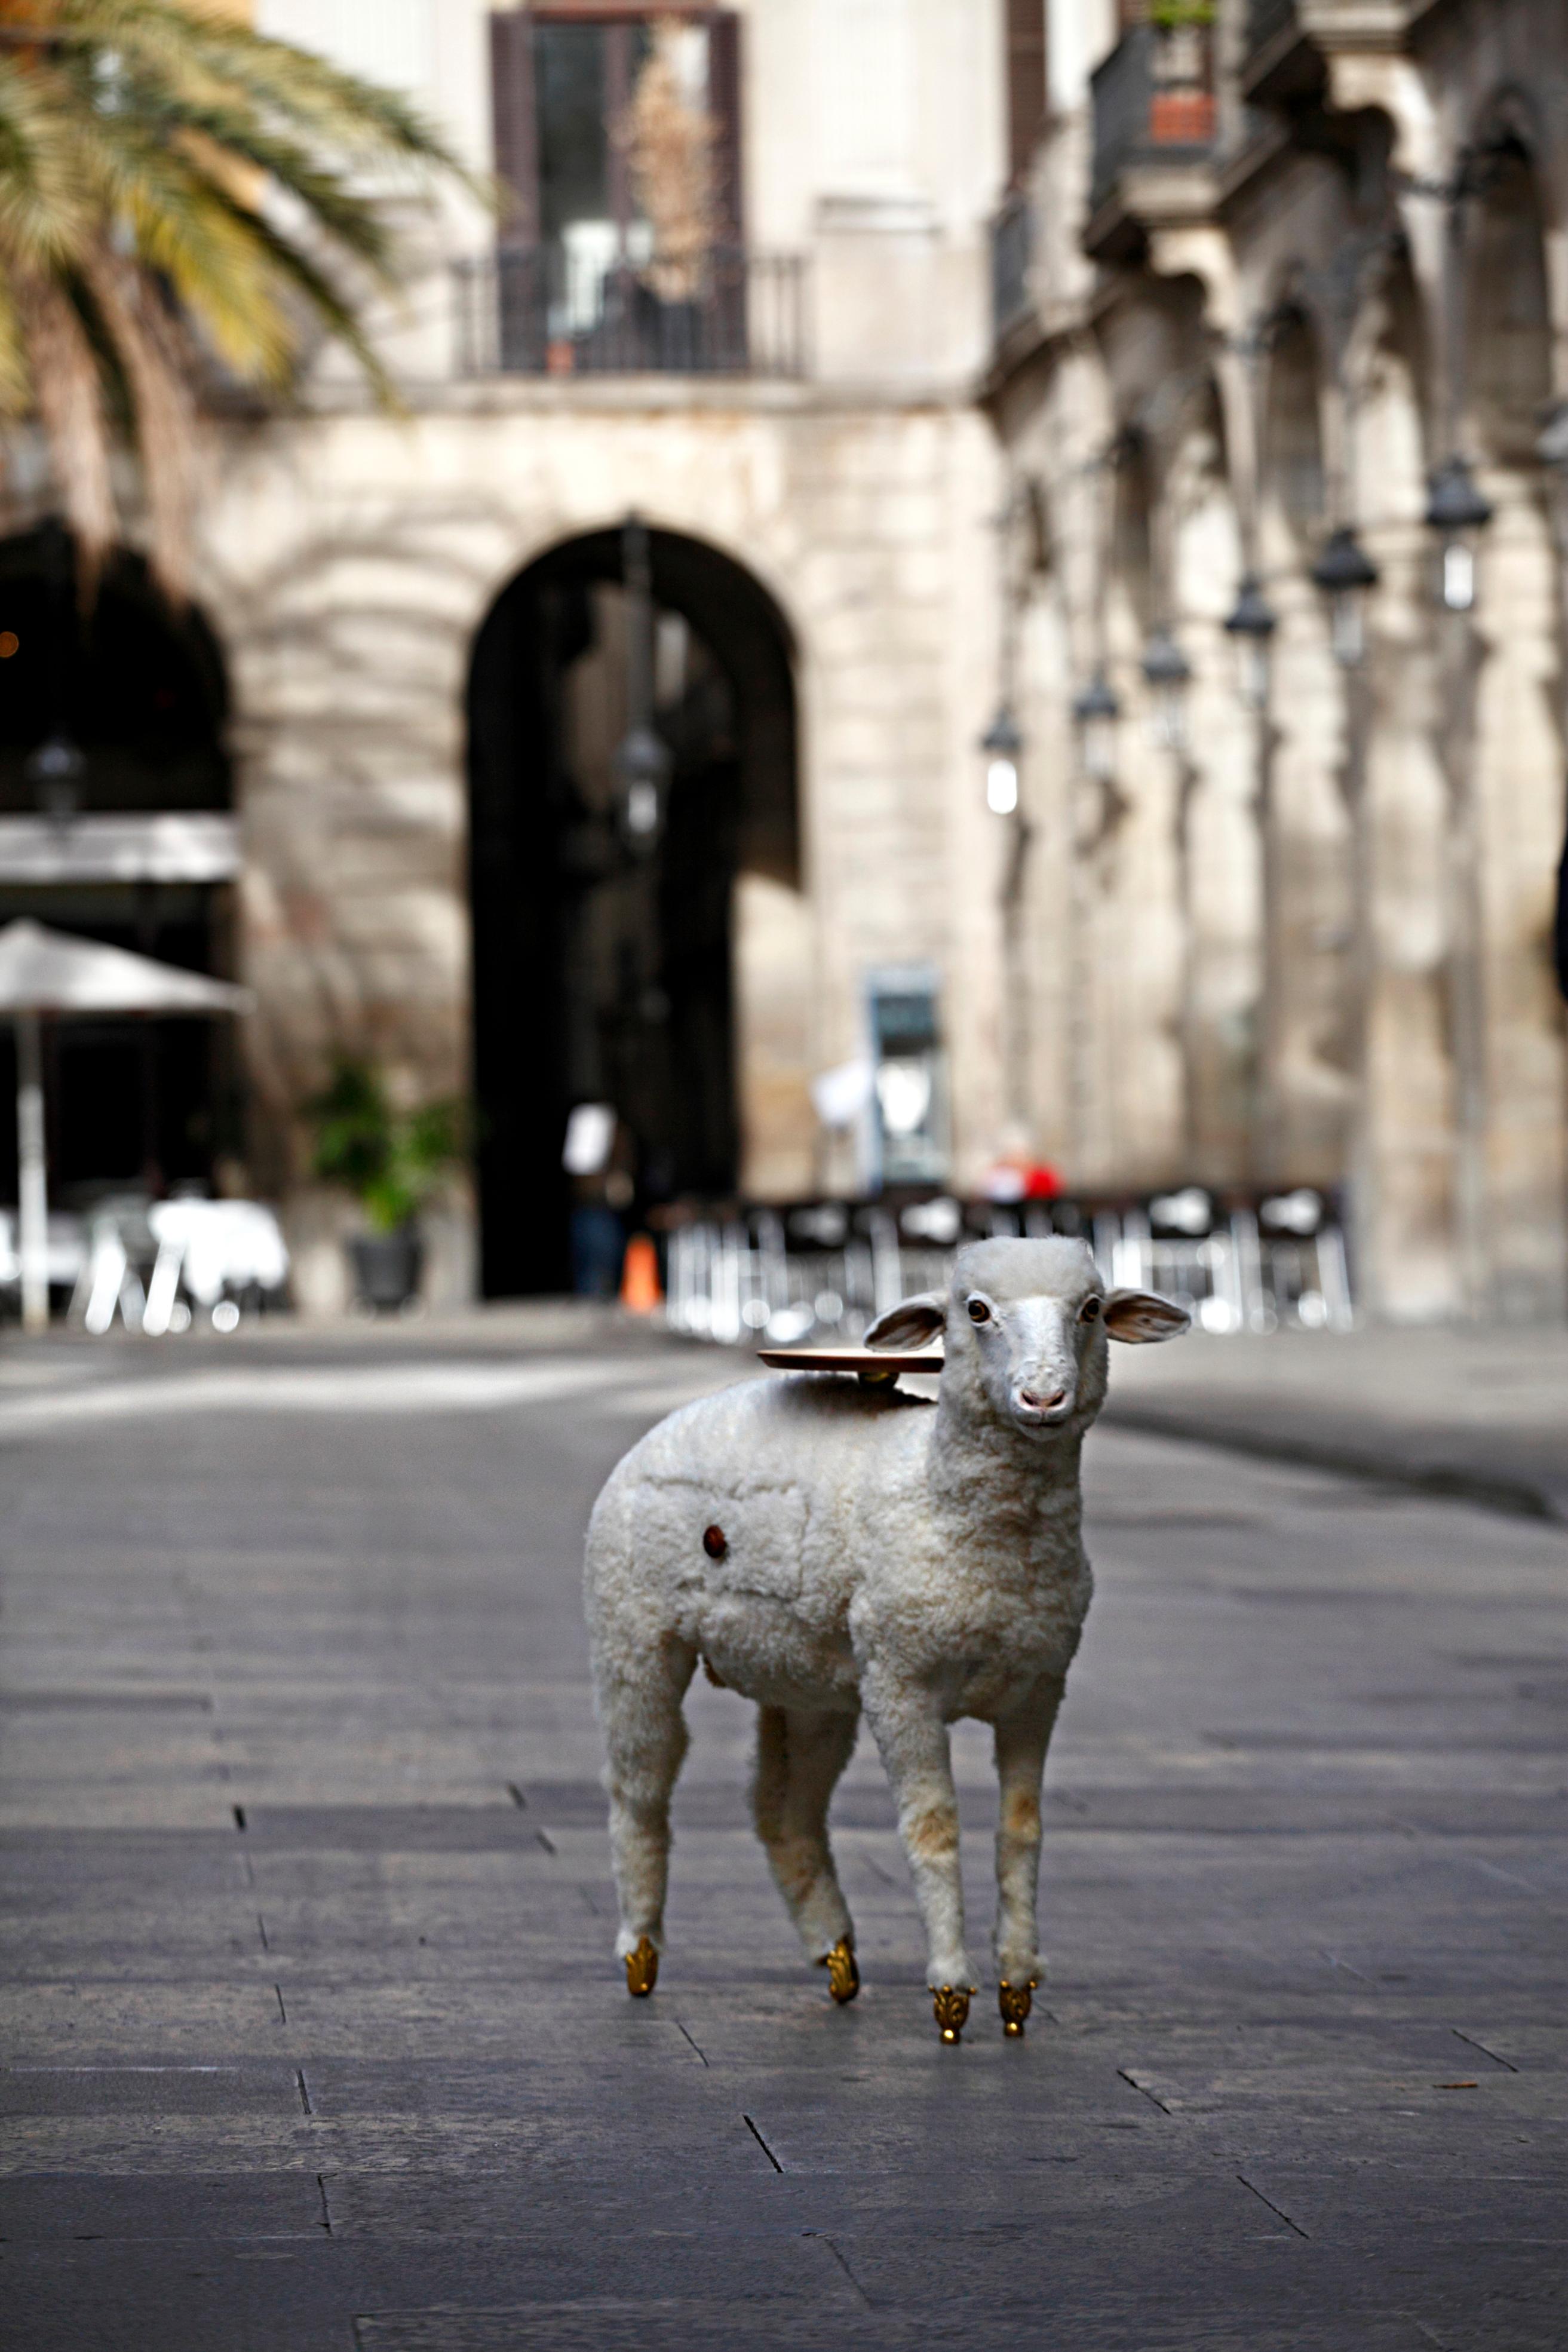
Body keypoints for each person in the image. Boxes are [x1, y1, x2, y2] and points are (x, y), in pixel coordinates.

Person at [563, 1102, 635, 1298]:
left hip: (600, 1213)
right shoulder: (591, 1132)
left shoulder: (607, 1134)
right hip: (593, 1213)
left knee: (599, 1273)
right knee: (593, 1274)